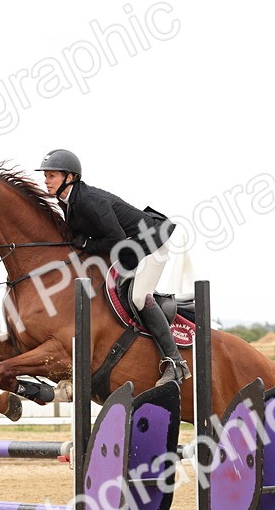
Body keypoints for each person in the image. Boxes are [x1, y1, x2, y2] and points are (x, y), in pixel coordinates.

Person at [37, 148, 190, 385]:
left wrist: (87, 242)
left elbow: (116, 239)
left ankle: (175, 363)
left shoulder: (88, 201)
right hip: (127, 247)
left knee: (139, 297)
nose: (46, 181)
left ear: (70, 177)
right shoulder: (67, 201)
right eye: (45, 176)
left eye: (51, 176)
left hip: (152, 242)